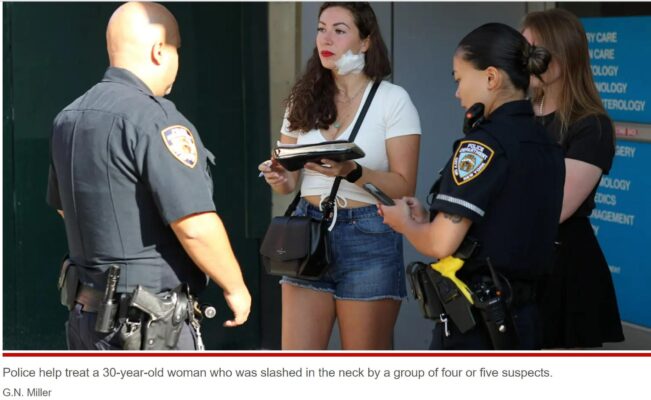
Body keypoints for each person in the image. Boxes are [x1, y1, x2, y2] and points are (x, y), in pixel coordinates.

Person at [46, 2, 251, 350]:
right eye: (177, 49)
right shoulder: (154, 119)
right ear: (159, 51)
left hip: (86, 319)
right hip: (148, 327)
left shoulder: (69, 118)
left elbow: (64, 208)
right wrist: (235, 287)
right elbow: (194, 224)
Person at [381, 23, 564, 350]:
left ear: (491, 78)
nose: (457, 92)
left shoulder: (483, 145)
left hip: (480, 327)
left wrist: (405, 223)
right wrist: (427, 219)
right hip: (529, 321)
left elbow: (440, 243)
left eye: (459, 78)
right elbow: (506, 221)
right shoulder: (546, 140)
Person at [259, 2, 421, 350]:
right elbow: (289, 180)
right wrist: (279, 176)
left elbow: (404, 185)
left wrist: (354, 172)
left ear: (365, 42)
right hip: (307, 230)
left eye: (339, 29)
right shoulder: (302, 100)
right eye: (321, 28)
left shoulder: (393, 100)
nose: (325, 38)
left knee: (363, 370)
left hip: (369, 233)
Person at [522, 8, 624, 348]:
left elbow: (556, 208)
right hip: (517, 264)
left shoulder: (590, 126)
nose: (525, 60)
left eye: (534, 50)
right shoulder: (517, 116)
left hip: (564, 271)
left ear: (562, 56)